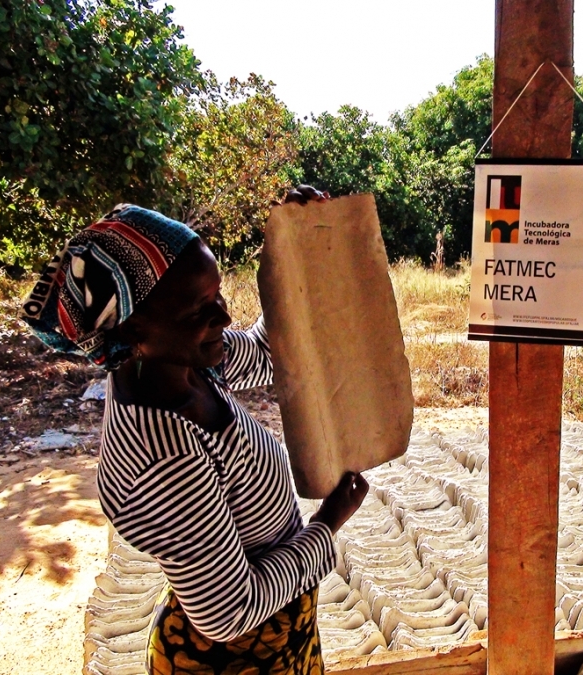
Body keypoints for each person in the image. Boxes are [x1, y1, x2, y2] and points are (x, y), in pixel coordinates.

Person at [21, 194, 368, 674]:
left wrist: (300, 243)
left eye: (218, 293)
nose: (223, 317)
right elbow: (230, 612)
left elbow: (270, 351)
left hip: (276, 638)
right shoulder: (165, 458)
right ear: (132, 331)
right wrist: (326, 525)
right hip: (232, 659)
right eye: (198, 309)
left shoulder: (178, 368)